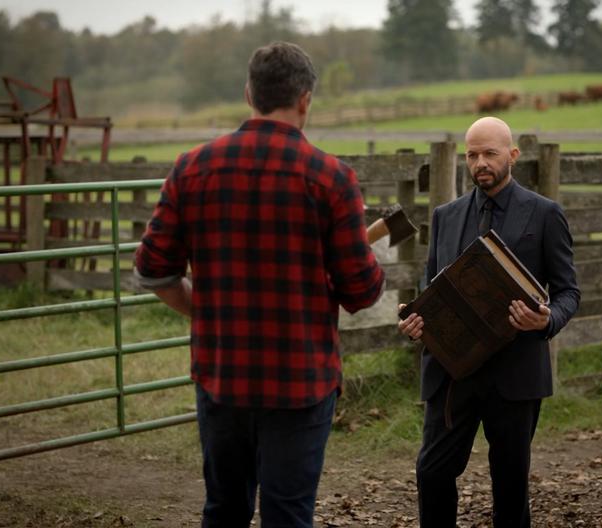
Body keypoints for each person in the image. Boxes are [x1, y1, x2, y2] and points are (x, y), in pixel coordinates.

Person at [134, 42, 385, 528]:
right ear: (306, 99)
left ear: (248, 93)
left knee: (224, 511)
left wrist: (202, 311)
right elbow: (361, 293)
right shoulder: (332, 179)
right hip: (301, 382)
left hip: (222, 376)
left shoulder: (192, 168)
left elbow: (154, 270)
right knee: (288, 515)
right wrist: (363, 257)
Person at [398, 116, 580, 527]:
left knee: (510, 484)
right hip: (451, 374)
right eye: (473, 155)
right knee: (432, 472)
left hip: (515, 375)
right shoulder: (446, 216)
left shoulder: (545, 214)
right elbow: (432, 287)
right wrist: (415, 320)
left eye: (490, 154)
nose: (480, 162)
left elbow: (570, 292)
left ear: (512, 156)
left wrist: (546, 319)